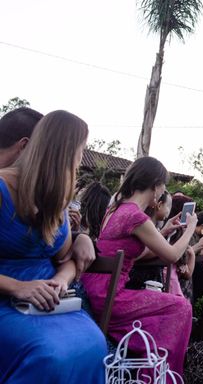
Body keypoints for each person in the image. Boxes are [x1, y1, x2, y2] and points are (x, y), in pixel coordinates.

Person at [0, 110, 106, 383]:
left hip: (49, 301)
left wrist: (61, 278)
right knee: (49, 353)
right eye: (80, 152)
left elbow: (66, 259)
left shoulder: (55, 200)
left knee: (94, 341)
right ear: (62, 153)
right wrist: (18, 287)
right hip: (7, 298)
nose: (80, 161)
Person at [82, 156, 196, 376]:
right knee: (181, 307)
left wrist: (162, 234)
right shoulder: (135, 216)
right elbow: (172, 255)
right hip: (111, 295)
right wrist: (191, 227)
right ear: (155, 186)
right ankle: (158, 376)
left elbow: (134, 251)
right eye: (163, 186)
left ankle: (148, 367)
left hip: (96, 289)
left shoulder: (116, 209)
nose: (163, 192)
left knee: (168, 306)